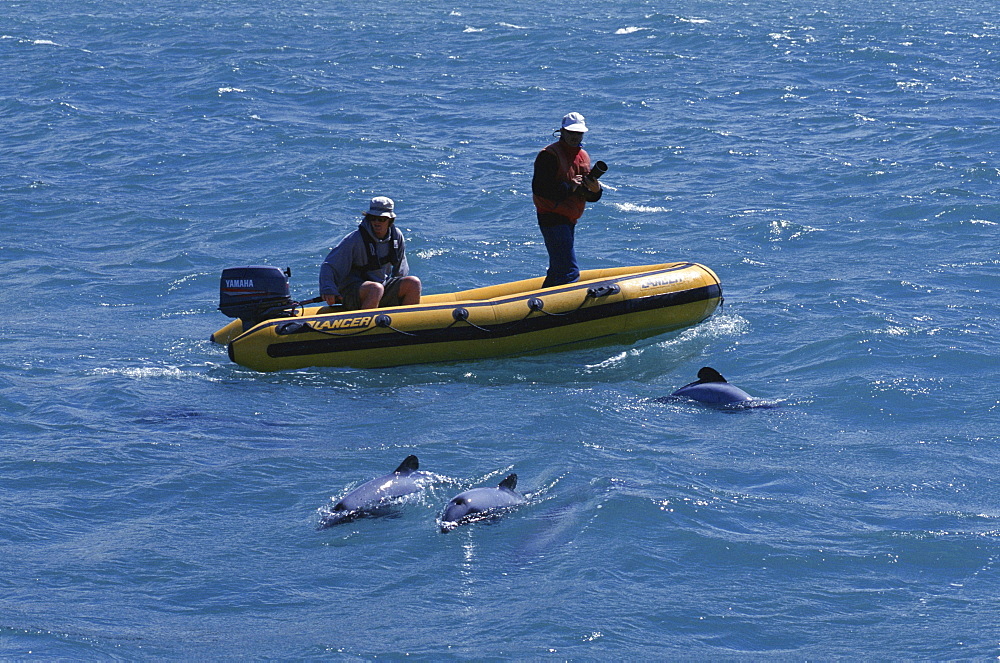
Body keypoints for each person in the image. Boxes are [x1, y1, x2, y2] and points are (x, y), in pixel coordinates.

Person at [532, 111, 603, 288]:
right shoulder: (549, 155)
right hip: (552, 217)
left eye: (578, 133)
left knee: (558, 269)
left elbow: (588, 195)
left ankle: (542, 305)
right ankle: (565, 311)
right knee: (568, 271)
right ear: (562, 132)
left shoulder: (583, 156)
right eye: (571, 133)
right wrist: (569, 186)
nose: (575, 137)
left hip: (569, 217)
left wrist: (595, 190)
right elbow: (540, 189)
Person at [319, 196, 421, 310]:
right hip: (354, 292)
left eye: (381, 219)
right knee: (375, 289)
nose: (377, 222)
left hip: (381, 286)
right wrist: (328, 290)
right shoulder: (355, 239)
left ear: (390, 221)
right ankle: (365, 324)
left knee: (413, 283)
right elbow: (329, 265)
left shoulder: (396, 237)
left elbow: (400, 271)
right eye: (373, 218)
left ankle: (406, 324)